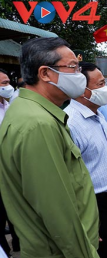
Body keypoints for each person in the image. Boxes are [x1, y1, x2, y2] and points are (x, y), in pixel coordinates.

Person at [0, 37, 100, 257]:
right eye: (73, 67)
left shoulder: (31, 112)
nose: (79, 75)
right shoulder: (38, 124)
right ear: (45, 73)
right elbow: (57, 213)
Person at [64, 62, 107, 258]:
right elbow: (69, 178)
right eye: (100, 85)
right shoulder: (71, 123)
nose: (105, 89)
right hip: (93, 206)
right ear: (83, 90)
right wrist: (83, 221)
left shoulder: (97, 114)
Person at [0, 69, 20, 257]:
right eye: (4, 84)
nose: (8, 87)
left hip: (12, 168)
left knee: (15, 209)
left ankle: (17, 241)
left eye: (8, 82)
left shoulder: (9, 105)